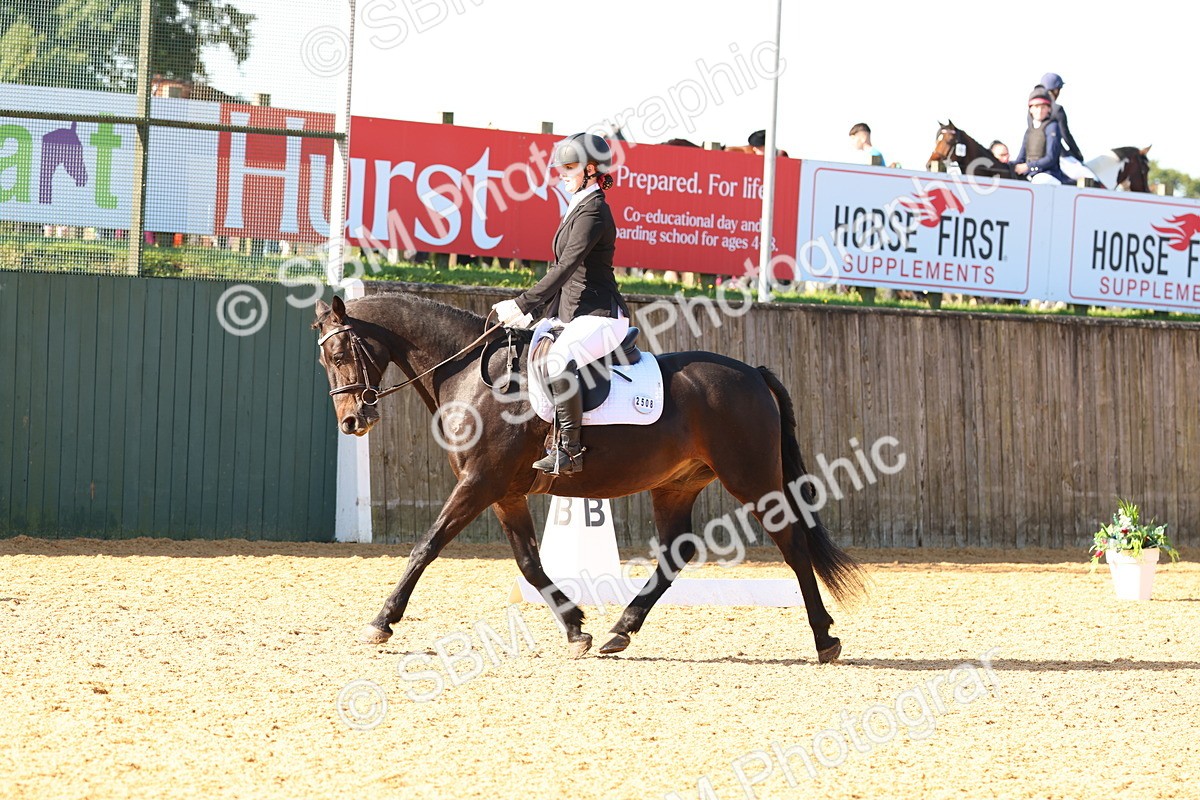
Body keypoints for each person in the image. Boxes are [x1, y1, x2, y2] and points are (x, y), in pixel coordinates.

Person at [490, 132, 630, 476]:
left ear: (591, 169)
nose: (562, 173)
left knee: (558, 360)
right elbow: (561, 273)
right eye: (562, 167)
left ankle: (569, 450)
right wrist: (536, 315)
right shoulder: (579, 206)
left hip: (601, 315)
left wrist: (523, 303)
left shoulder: (594, 211)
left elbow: (567, 268)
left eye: (569, 167)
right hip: (572, 315)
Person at [1036, 72, 1099, 185]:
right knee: (1091, 178)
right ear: (1055, 90)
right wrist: (1077, 154)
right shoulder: (1057, 109)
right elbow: (1066, 135)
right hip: (1057, 155)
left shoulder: (1032, 109)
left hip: (1036, 155)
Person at [1013, 88, 1069, 184]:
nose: (1039, 111)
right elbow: (1021, 158)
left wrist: (1028, 166)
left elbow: (1050, 159)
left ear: (1049, 109)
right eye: (1036, 107)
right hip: (1030, 174)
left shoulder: (1052, 127)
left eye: (1043, 107)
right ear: (1030, 109)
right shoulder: (1029, 131)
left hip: (1048, 175)